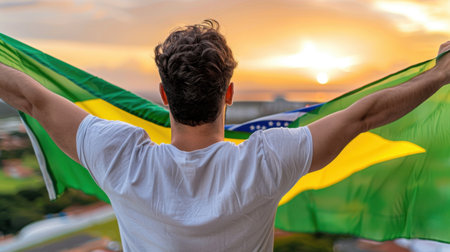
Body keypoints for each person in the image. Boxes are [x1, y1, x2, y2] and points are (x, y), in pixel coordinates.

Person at [0, 19, 448, 251]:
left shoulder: (121, 158)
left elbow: (30, 96)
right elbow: (363, 116)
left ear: (162, 94)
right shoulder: (265, 162)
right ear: (229, 93)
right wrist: (442, 72)